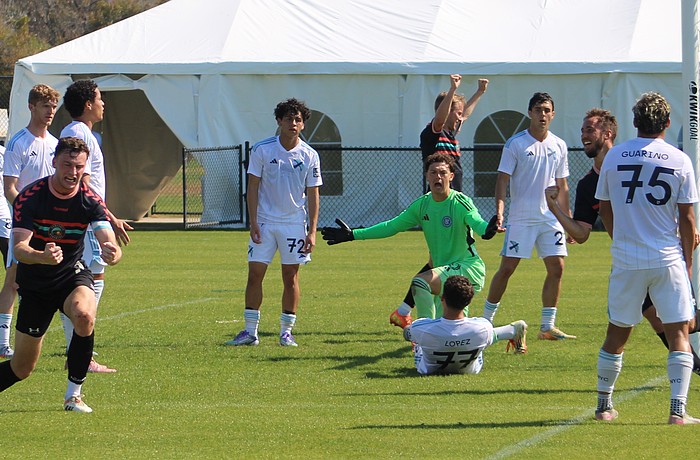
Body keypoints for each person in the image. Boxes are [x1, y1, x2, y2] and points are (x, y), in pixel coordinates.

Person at [545, 108, 700, 375]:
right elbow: (581, 234)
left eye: (589, 129)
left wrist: (686, 232)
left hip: (662, 255)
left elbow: (676, 208)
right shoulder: (587, 185)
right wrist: (555, 209)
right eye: (582, 130)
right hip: (632, 261)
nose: (584, 135)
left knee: (685, 323)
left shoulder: (631, 161)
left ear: (608, 134)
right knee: (665, 324)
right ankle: (692, 368)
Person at [593, 92, 699, 424]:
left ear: (635, 121)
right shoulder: (679, 160)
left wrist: (621, 239)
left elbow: (605, 207)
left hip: (627, 259)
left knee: (617, 332)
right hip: (667, 257)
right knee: (679, 331)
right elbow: (688, 219)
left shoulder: (613, 156)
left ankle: (603, 407)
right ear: (667, 123)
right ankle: (677, 412)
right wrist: (688, 262)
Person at [0, 137, 122, 413]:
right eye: (67, 164)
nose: (73, 171)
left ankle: (73, 396)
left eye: (79, 166)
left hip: (71, 276)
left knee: (84, 315)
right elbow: (19, 248)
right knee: (22, 367)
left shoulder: (90, 199)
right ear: (54, 163)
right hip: (36, 283)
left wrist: (112, 252)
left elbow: (107, 238)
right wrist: (41, 256)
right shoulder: (30, 198)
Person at [322, 153, 498, 321]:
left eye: (443, 172)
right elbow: (391, 226)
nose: (438, 176)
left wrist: (487, 230)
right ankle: (512, 331)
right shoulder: (422, 205)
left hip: (467, 268)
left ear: (451, 176)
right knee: (451, 330)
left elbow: (476, 222)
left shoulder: (459, 202)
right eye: (433, 172)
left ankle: (422, 337)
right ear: (427, 176)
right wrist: (353, 234)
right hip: (442, 272)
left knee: (420, 282)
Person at [390, 75, 489, 329]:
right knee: (439, 265)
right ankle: (422, 320)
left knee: (438, 264)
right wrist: (453, 89)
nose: (460, 117)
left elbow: (462, 114)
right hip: (441, 204)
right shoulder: (433, 132)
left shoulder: (452, 130)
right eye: (454, 112)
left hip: (455, 204)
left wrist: (478, 93)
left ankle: (407, 312)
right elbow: (441, 118)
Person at [226, 98, 322, 347]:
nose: (293, 123)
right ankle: (250, 332)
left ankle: (286, 332)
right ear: (279, 121)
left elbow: (313, 193)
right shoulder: (262, 149)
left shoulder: (310, 155)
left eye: (298, 119)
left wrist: (312, 231)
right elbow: (253, 187)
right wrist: (254, 221)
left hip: (293, 224)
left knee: (291, 277)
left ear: (303, 125)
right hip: (266, 223)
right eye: (289, 118)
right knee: (255, 273)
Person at [481, 92, 575, 341]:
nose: (542, 114)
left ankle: (547, 326)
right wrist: (500, 211)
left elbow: (562, 185)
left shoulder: (559, 145)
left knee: (557, 267)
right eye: (538, 110)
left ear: (553, 114)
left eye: (547, 110)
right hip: (521, 218)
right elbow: (502, 179)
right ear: (530, 113)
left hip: (550, 219)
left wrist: (568, 221)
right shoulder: (516, 143)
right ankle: (485, 322)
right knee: (507, 268)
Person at [59, 79, 131, 373]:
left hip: (90, 215)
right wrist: (108, 217)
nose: (104, 103)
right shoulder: (78, 133)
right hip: (88, 217)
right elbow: (84, 182)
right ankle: (80, 351)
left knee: (83, 280)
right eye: (100, 98)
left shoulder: (82, 132)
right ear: (88, 103)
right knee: (91, 278)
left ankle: (77, 348)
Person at [0, 84, 60, 359]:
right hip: (25, 225)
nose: (50, 112)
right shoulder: (18, 142)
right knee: (14, 281)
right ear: (31, 107)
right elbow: (10, 188)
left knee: (55, 281)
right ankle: (3, 342)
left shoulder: (55, 144)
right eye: (45, 106)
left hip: (52, 225)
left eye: (53, 106)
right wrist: (27, 213)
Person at [403, 275, 528, 375]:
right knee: (485, 336)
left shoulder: (421, 328)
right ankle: (512, 330)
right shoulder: (483, 327)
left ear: (443, 298)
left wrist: (410, 331)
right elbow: (486, 330)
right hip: (471, 369)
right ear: (468, 301)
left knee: (418, 344)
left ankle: (512, 330)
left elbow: (407, 333)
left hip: (429, 370)